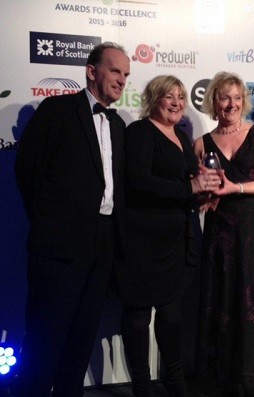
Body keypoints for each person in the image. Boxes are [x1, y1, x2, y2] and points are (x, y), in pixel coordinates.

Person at [13, 42, 130, 396]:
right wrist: (52, 223)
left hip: (101, 245)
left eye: (126, 75)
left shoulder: (119, 124)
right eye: (115, 71)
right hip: (59, 247)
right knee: (45, 338)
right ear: (91, 72)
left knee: (81, 339)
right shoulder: (57, 110)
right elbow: (27, 171)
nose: (122, 80)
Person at [113, 75, 220, 397]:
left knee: (172, 317)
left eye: (180, 96)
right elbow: (138, 181)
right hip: (140, 242)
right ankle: (142, 386)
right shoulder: (140, 132)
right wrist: (190, 188)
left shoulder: (182, 136)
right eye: (168, 96)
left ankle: (175, 383)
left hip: (175, 242)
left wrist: (202, 196)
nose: (175, 102)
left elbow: (184, 184)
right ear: (153, 99)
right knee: (137, 318)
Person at [194, 72, 254, 397]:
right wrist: (206, 196)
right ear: (214, 102)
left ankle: (249, 379)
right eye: (224, 98)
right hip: (220, 233)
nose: (231, 104)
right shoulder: (201, 143)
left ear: (243, 101)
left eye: (236, 98)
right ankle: (227, 376)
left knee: (253, 303)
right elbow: (198, 188)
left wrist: (236, 187)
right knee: (223, 299)